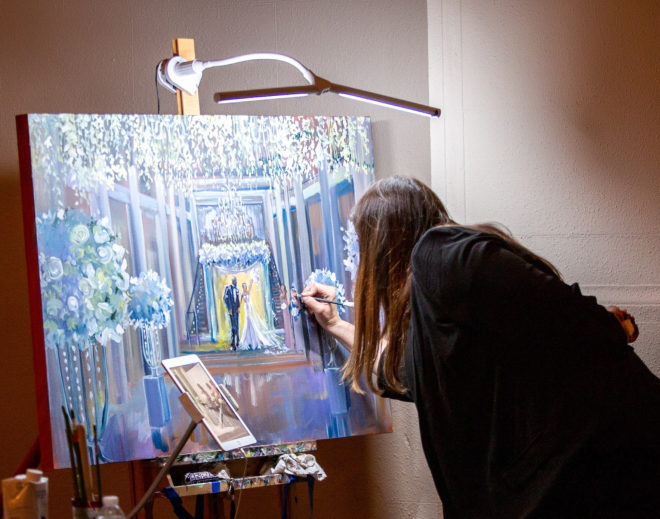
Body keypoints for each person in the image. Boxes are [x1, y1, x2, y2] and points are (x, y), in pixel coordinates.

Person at [302, 176, 660, 518]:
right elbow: (400, 372)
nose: (361, 264)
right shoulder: (438, 301)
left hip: (622, 465)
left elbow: (570, 314)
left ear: (386, 243)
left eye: (362, 247)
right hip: (596, 479)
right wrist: (334, 324)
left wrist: (606, 322)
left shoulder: (441, 253)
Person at [223, 276, 241, 351]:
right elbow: (225, 298)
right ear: (232, 281)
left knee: (237, 325)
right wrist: (229, 308)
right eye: (234, 280)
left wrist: (239, 307)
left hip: (236, 309)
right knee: (233, 326)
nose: (235, 282)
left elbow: (237, 299)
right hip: (231, 310)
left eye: (236, 280)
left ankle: (237, 340)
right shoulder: (228, 288)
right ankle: (233, 343)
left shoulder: (237, 289)